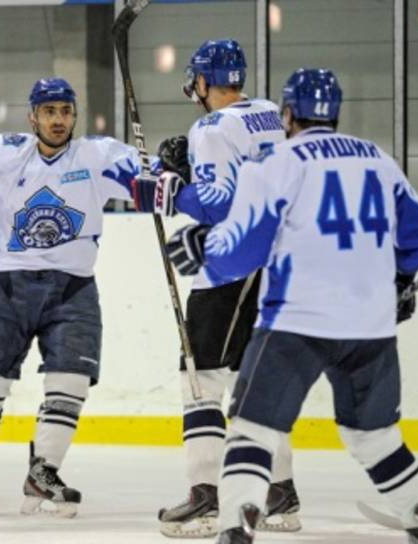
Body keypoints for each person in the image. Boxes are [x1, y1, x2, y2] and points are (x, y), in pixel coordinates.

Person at [167, 68, 418, 544]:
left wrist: (204, 245)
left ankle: (234, 530)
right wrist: (400, 278)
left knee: (252, 430)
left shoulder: (278, 162)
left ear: (288, 114)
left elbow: (244, 252)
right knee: (376, 438)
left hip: (297, 323)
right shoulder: (379, 160)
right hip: (370, 326)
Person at [0, 77, 152, 518]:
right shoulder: (5, 153)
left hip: (74, 288)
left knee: (72, 381)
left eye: (65, 111)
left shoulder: (98, 156)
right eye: (49, 111)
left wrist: (173, 166)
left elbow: (153, 180)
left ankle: (43, 472)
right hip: (8, 285)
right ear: (32, 117)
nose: (58, 119)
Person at [137, 39, 299, 538]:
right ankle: (281, 494)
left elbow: (220, 204)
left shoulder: (210, 128)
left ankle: (205, 497)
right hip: (277, 261)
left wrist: (169, 187)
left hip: (231, 264)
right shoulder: (269, 112)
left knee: (200, 377)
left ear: (204, 81)